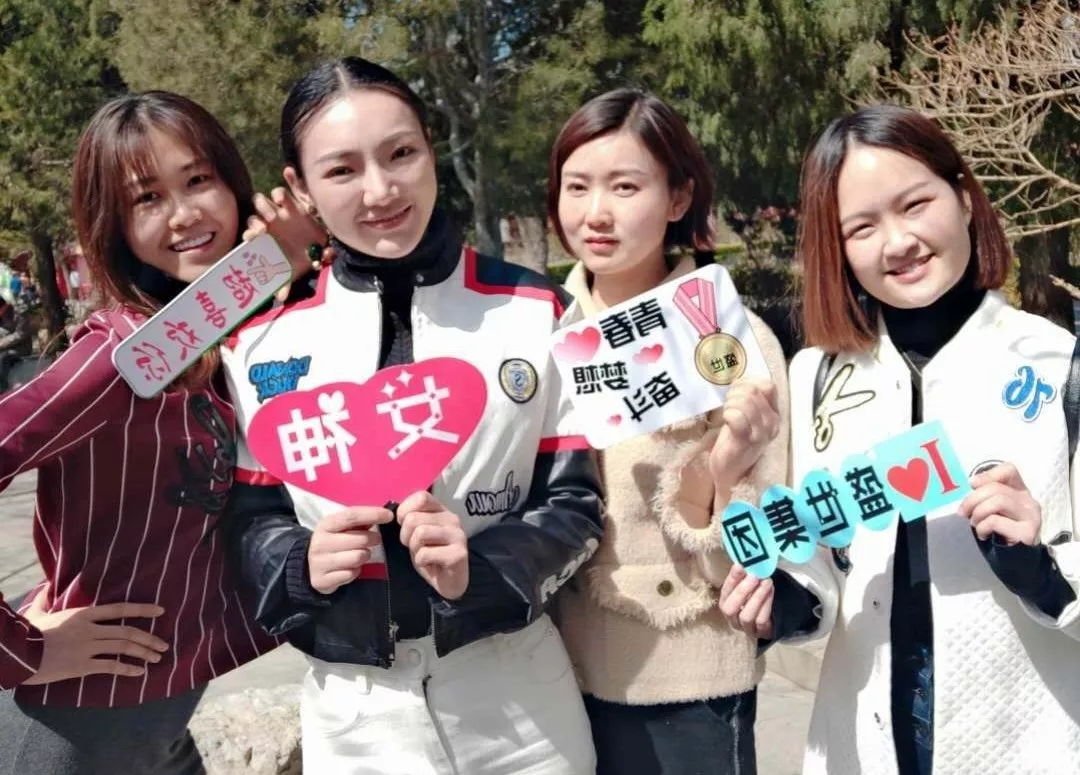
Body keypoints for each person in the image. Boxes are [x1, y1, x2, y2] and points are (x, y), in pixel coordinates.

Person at [219, 56, 604, 775]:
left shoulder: (537, 310)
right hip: (353, 716)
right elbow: (249, 517)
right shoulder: (257, 344)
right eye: (342, 170)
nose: (380, 189)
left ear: (432, 147)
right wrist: (298, 563)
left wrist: (480, 569)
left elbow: (575, 504)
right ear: (300, 187)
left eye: (401, 153)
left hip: (520, 703)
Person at [730, 103, 1080, 775]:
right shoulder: (814, 376)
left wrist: (1039, 566)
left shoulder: (1057, 363)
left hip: (1025, 732)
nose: (897, 242)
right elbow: (817, 561)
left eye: (915, 204)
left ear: (964, 198)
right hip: (862, 734)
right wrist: (780, 599)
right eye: (861, 227)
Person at [0, 90, 320, 775]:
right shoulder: (114, 356)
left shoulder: (210, 335)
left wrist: (288, 259)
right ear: (114, 224)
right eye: (147, 198)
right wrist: (22, 650)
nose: (184, 214)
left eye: (198, 179)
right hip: (73, 723)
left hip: (166, 706)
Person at [547, 88, 827, 774]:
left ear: (678, 198)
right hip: (548, 676)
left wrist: (724, 468)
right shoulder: (535, 333)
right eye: (577, 186)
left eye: (625, 186)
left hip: (692, 675)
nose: (596, 212)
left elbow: (759, 547)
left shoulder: (730, 336)